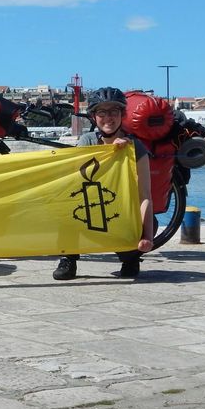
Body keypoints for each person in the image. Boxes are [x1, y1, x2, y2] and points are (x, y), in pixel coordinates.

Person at [53, 87, 154, 280]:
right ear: (93, 117)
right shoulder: (86, 141)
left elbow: (145, 195)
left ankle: (131, 258)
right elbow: (75, 183)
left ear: (122, 115)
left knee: (140, 224)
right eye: (102, 112)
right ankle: (68, 258)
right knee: (65, 211)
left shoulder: (135, 148)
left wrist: (147, 237)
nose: (108, 117)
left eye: (114, 111)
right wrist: (108, 155)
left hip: (122, 214)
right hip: (92, 209)